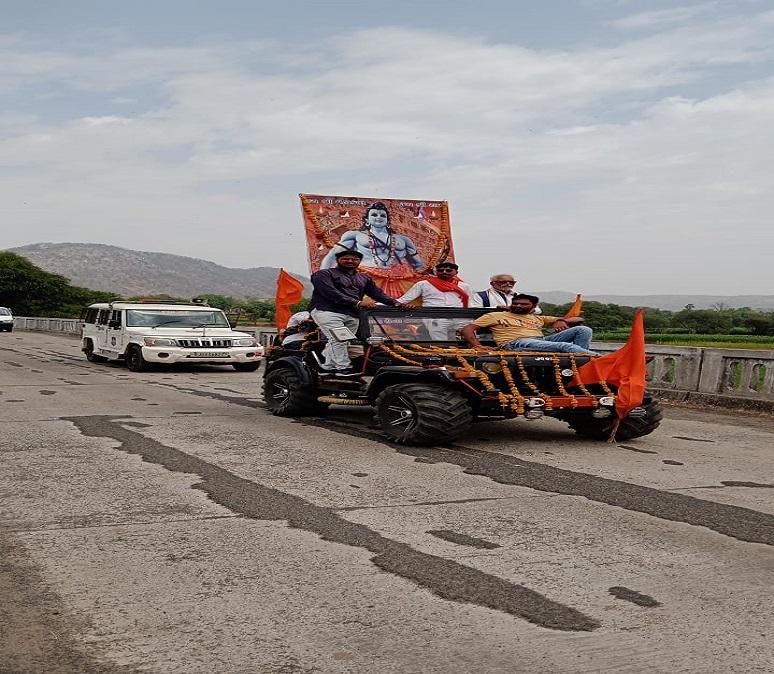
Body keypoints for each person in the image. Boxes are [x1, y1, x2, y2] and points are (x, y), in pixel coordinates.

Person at [310, 249, 405, 373]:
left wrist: (396, 303)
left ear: (360, 261)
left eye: (354, 259)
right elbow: (331, 293)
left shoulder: (364, 278)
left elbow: (377, 294)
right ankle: (343, 367)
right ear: (337, 260)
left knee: (343, 341)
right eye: (346, 258)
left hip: (352, 314)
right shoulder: (323, 274)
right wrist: (358, 303)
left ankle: (329, 365)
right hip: (328, 311)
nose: (350, 261)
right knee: (340, 339)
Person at [461, 293, 596, 354]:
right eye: (515, 303)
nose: (518, 305)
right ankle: (597, 359)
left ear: (533, 306)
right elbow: (468, 329)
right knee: (564, 346)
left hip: (540, 340)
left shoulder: (537, 317)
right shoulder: (495, 315)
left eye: (523, 304)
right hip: (515, 342)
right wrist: (477, 345)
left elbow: (578, 320)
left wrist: (561, 320)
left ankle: (580, 362)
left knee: (584, 330)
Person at [320, 201, 426, 270]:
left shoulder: (404, 240)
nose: (378, 217)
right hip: (365, 277)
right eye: (374, 215)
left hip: (400, 279)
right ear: (367, 220)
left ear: (388, 221)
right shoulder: (355, 236)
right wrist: (323, 278)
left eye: (382, 215)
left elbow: (418, 265)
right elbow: (332, 256)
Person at [396, 262, 471, 340]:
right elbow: (403, 300)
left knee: (470, 331)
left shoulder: (464, 286)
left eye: (448, 270)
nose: (444, 272)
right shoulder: (423, 284)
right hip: (435, 316)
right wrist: (384, 303)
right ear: (436, 272)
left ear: (456, 272)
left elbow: (469, 303)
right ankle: (442, 350)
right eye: (440, 270)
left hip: (458, 316)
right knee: (440, 339)